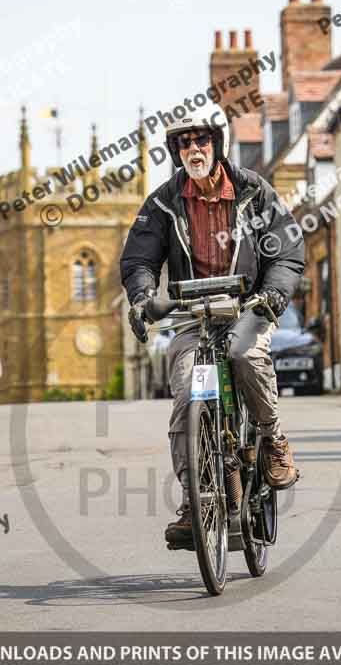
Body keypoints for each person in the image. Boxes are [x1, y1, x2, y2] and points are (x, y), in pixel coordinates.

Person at [120, 103, 305, 548]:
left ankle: (272, 439)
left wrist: (274, 293)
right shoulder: (164, 201)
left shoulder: (252, 191)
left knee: (245, 355)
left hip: (245, 306)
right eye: (184, 143)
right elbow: (140, 258)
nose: (194, 149)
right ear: (175, 151)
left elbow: (285, 249)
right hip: (191, 314)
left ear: (216, 145)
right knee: (186, 395)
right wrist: (144, 298)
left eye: (201, 140)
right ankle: (194, 501)